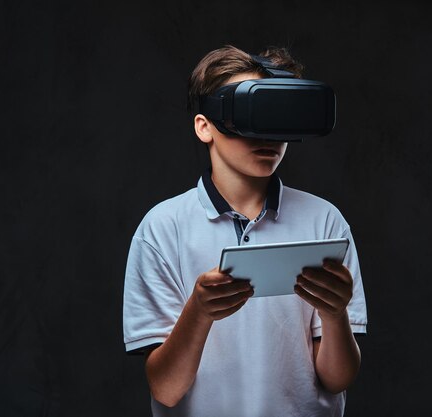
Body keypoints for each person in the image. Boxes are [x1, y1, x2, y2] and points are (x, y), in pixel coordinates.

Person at [123, 44, 367, 417]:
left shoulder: (325, 222)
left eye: (277, 117)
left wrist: (335, 314)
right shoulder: (162, 228)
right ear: (205, 126)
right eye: (250, 115)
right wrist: (199, 313)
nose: (266, 136)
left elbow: (336, 380)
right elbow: (166, 390)